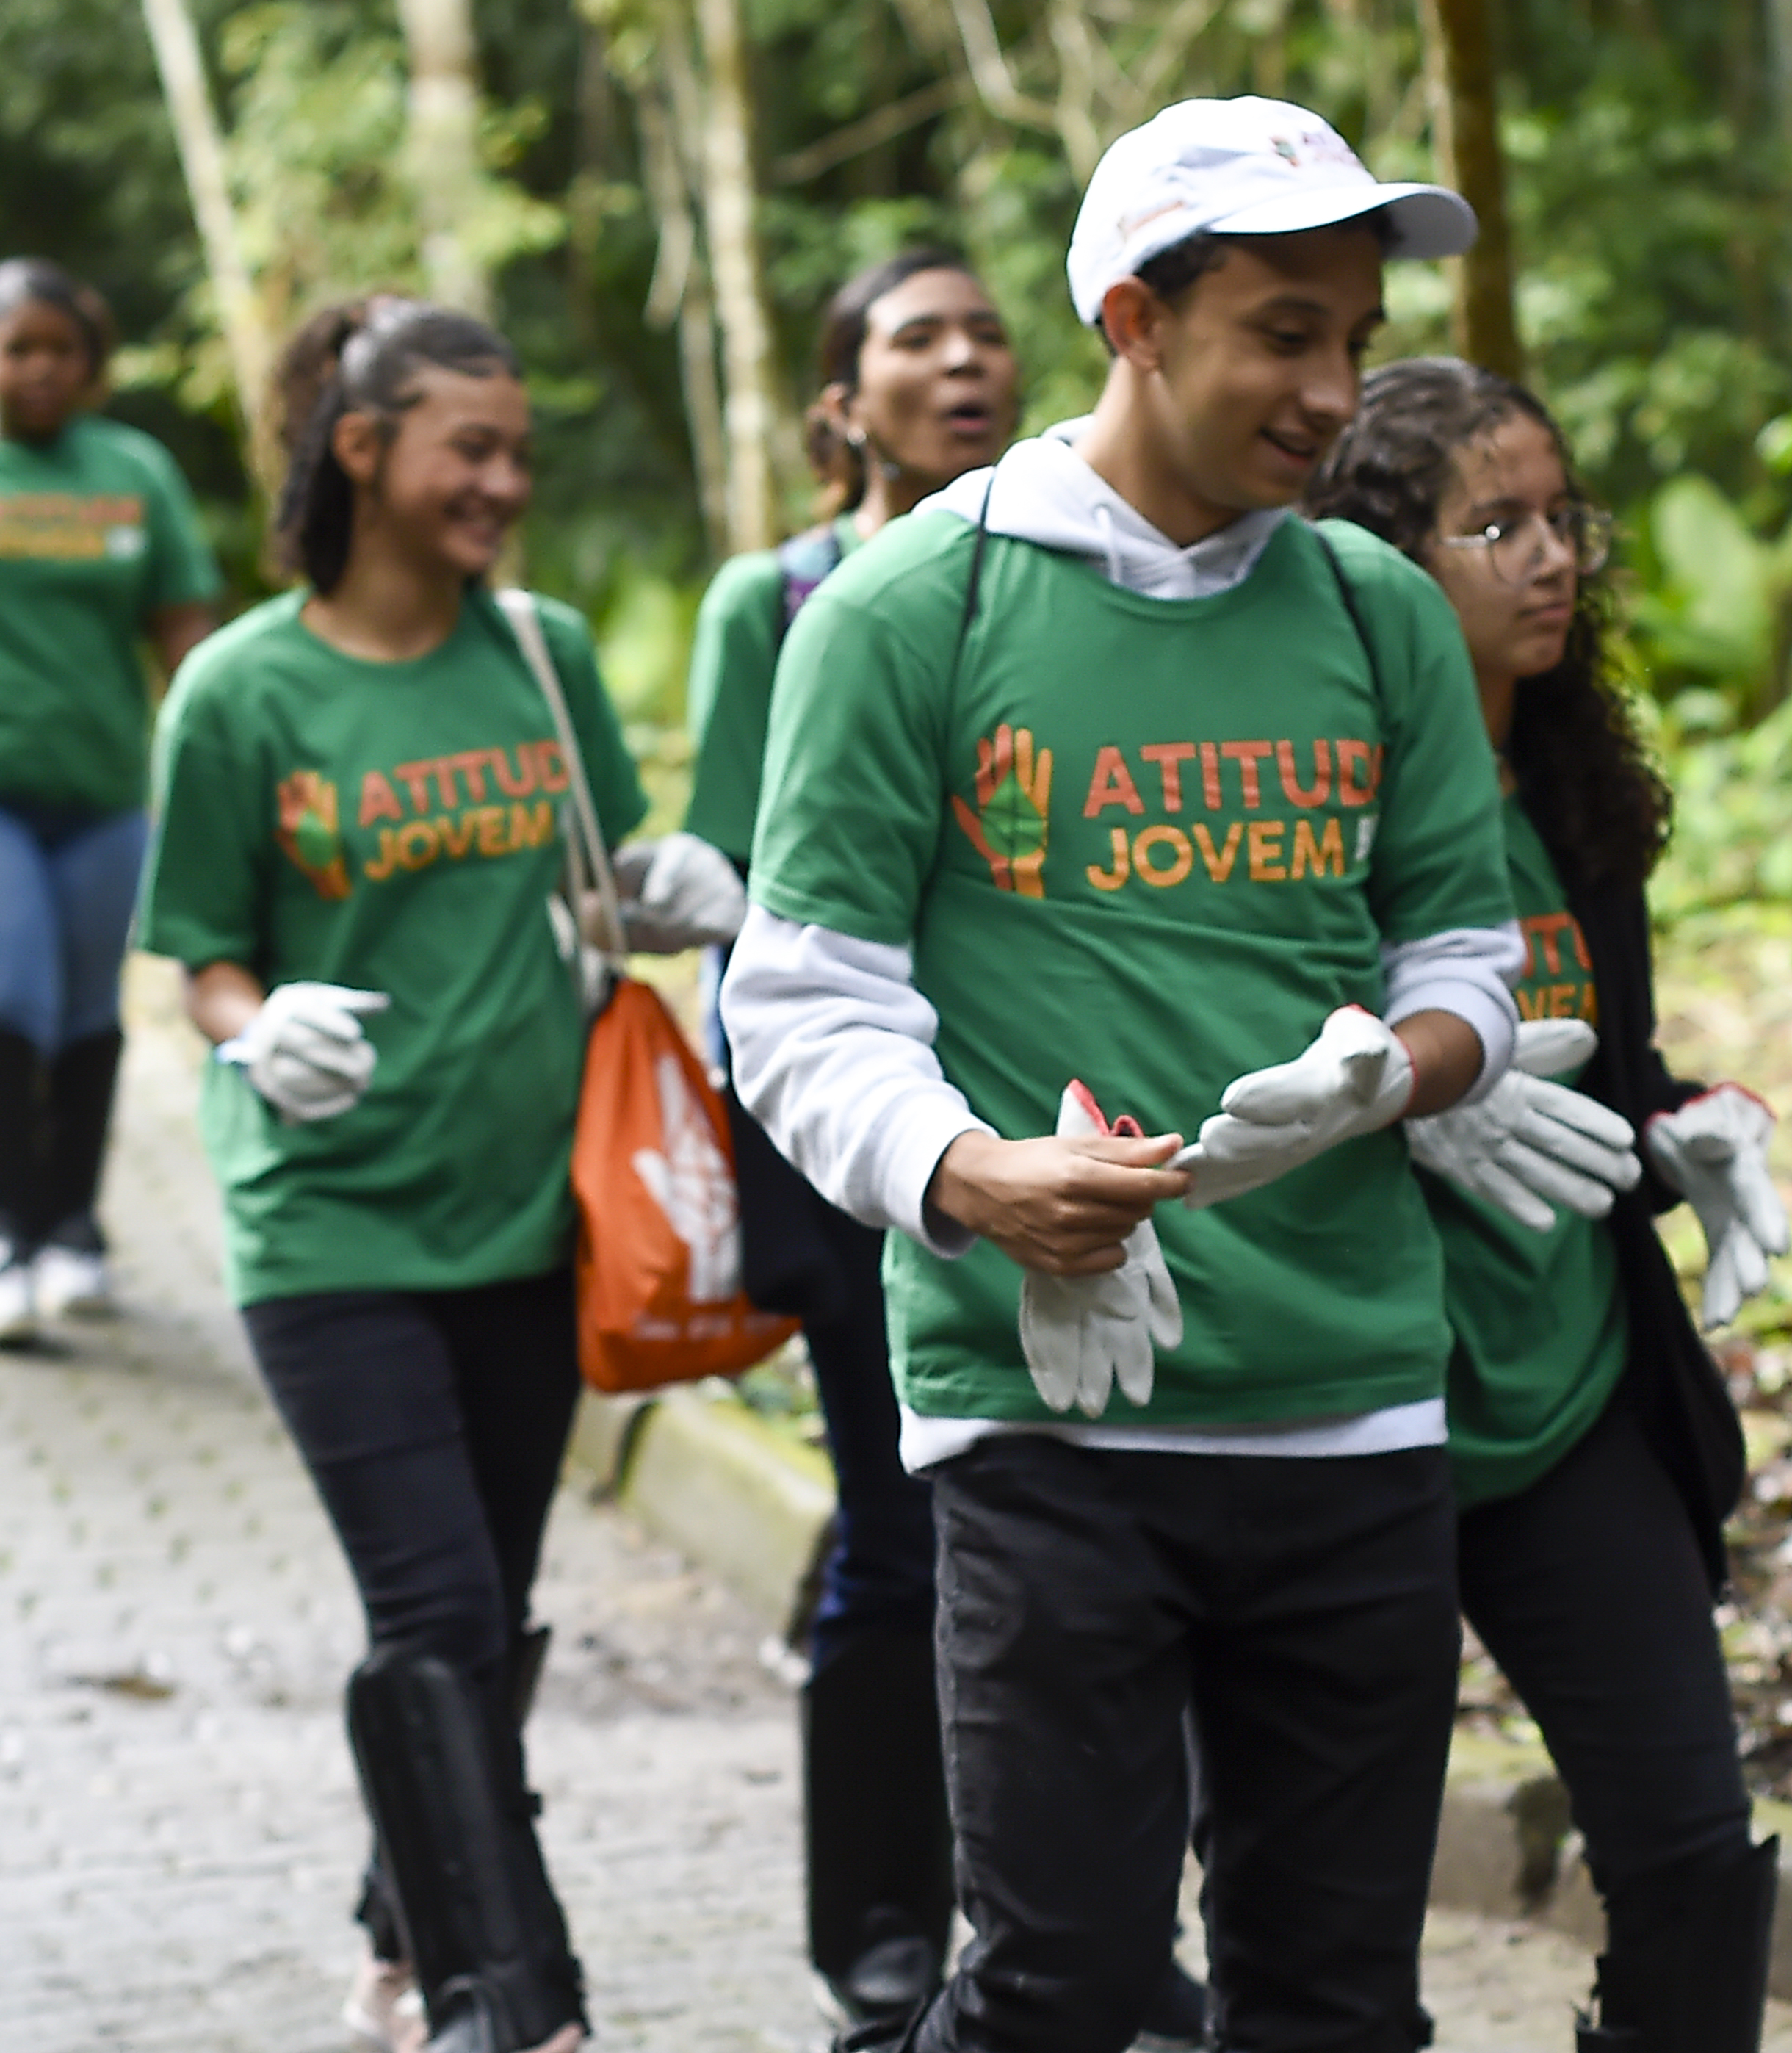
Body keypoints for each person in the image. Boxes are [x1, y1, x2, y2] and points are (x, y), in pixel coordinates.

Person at [720, 98, 1516, 2053]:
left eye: (1354, 336)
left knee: (1336, 2007)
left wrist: (1389, 1076)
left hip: (1351, 1406)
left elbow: (1464, 963)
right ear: (1134, 321)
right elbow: (802, 998)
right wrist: (967, 1173)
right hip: (1049, 1411)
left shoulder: (1378, 612)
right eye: (1283, 333)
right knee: (1057, 1988)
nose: (1333, 392)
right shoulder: (915, 608)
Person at [134, 297, 745, 2053]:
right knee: (438, 1607)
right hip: (328, 1222)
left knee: (486, 1612)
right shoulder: (243, 689)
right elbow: (204, 955)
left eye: (517, 454)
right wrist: (256, 1028)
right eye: (469, 450)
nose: (503, 484)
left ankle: (402, 1935)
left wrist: (667, 896)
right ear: (361, 450)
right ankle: (514, 2001)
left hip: (534, 1211)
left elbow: (598, 892)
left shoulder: (542, 654)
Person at [681, 247, 1210, 2046]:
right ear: (842, 403)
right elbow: (753, 895)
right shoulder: (782, 599)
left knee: (1119, 1534)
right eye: (919, 338)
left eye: (988, 330)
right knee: (899, 1534)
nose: (967, 360)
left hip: (1075, 1128)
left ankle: (1097, 1936)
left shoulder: (1105, 583)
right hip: (871, 1136)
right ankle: (885, 1935)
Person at [1306, 358, 1791, 2053]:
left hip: (1573, 1396)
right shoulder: (1313, 803)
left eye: (1562, 516)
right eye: (1494, 525)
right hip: (1365, 1407)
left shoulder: (1572, 792)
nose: (1553, 557)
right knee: (1323, 1916)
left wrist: (1688, 1132)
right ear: (1383, 564)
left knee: (1693, 1859)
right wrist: (1404, 1093)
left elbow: (1605, 1071)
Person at [0, 257, 222, 1340]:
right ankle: (9, 1232)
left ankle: (73, 1230)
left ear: (92, 364)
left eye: (61, 350)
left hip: (104, 795)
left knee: (91, 1017)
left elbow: (185, 627)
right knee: (15, 998)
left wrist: (224, 759)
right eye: (17, 349)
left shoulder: (133, 472)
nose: (39, 369)